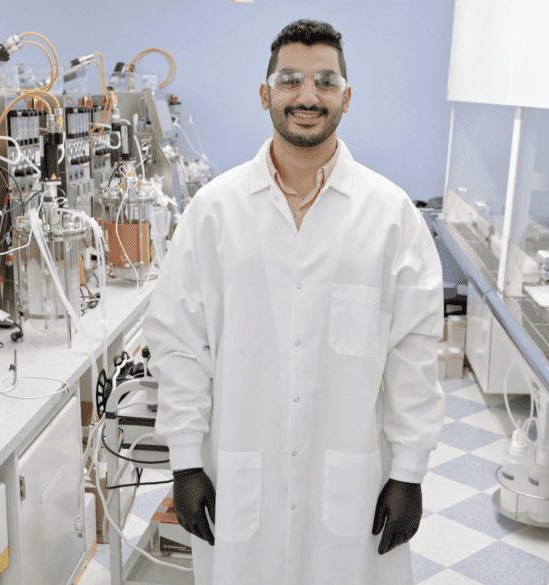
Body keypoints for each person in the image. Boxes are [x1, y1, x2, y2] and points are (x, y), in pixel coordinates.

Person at [143, 19, 445, 585]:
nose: (308, 97)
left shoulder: (390, 215)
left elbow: (414, 351)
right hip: (238, 468)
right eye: (290, 80)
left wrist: (408, 471)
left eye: (325, 82)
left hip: (351, 476)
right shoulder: (214, 211)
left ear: (346, 98)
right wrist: (185, 459)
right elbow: (181, 340)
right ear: (266, 94)